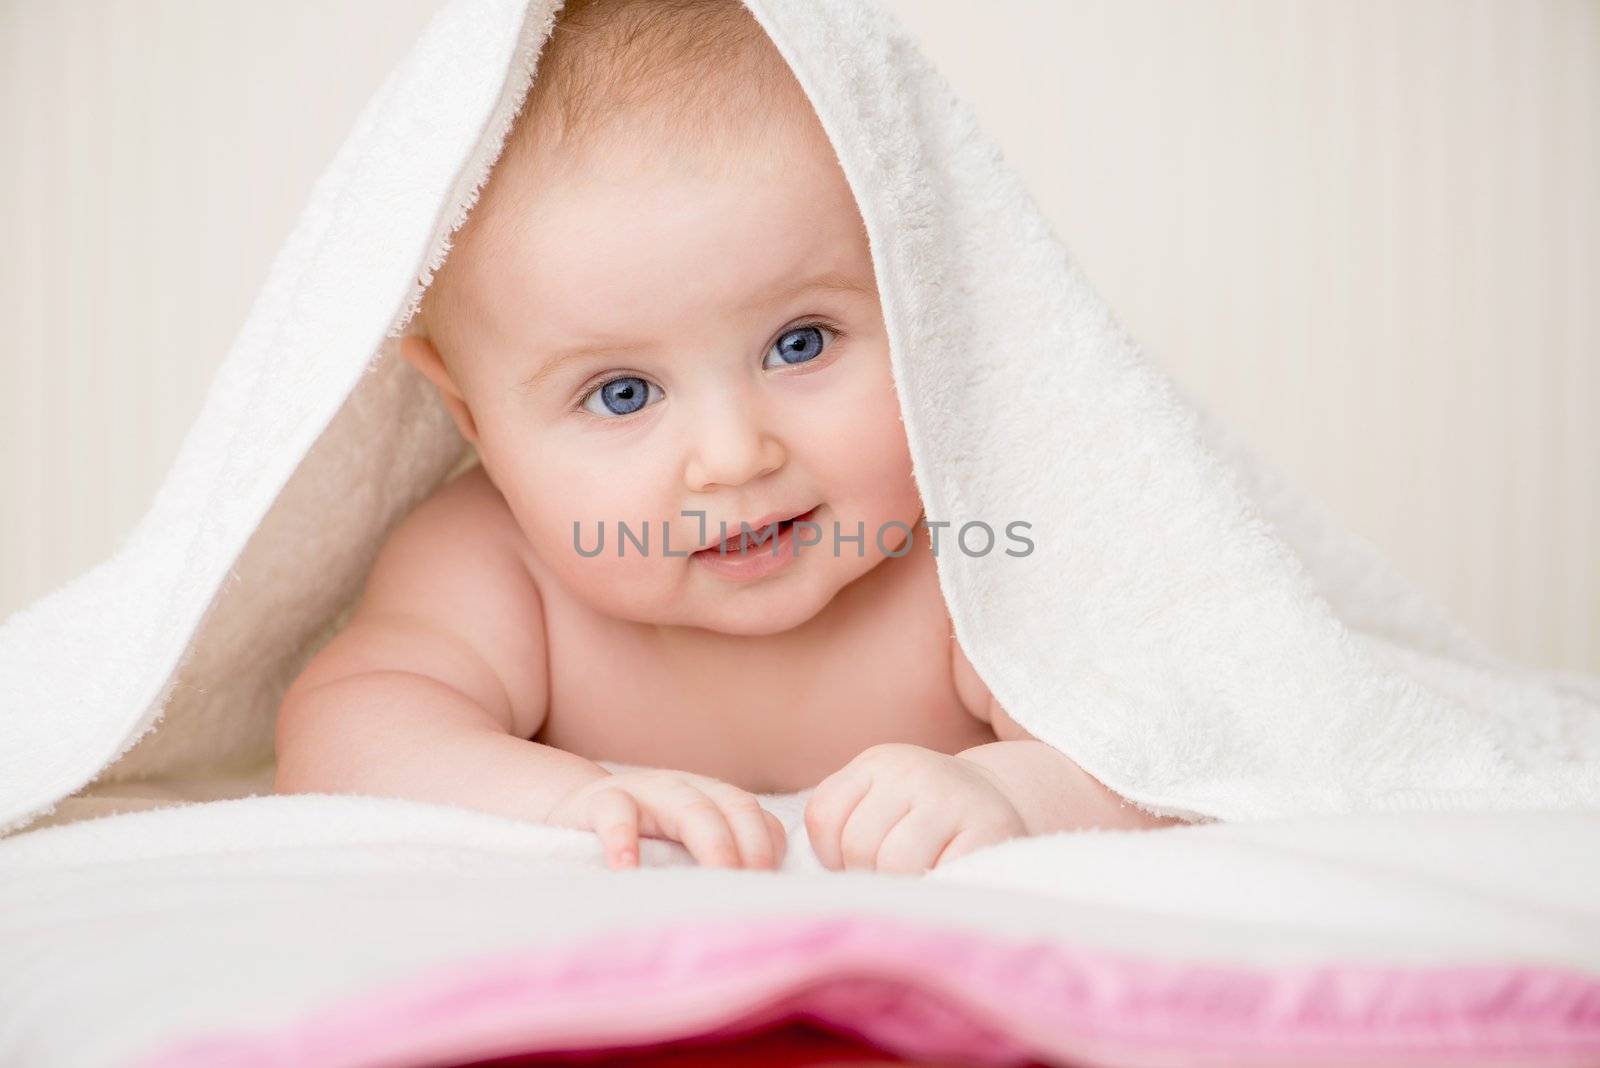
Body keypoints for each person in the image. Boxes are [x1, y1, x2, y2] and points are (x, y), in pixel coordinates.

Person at [274, 0, 1180, 875]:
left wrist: (1013, 792)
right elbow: (344, 734)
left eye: (800, 344)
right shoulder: (491, 562)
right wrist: (556, 800)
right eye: (622, 394)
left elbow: (1173, 746)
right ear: (473, 418)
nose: (736, 455)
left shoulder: (966, 556)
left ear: (918, 300)